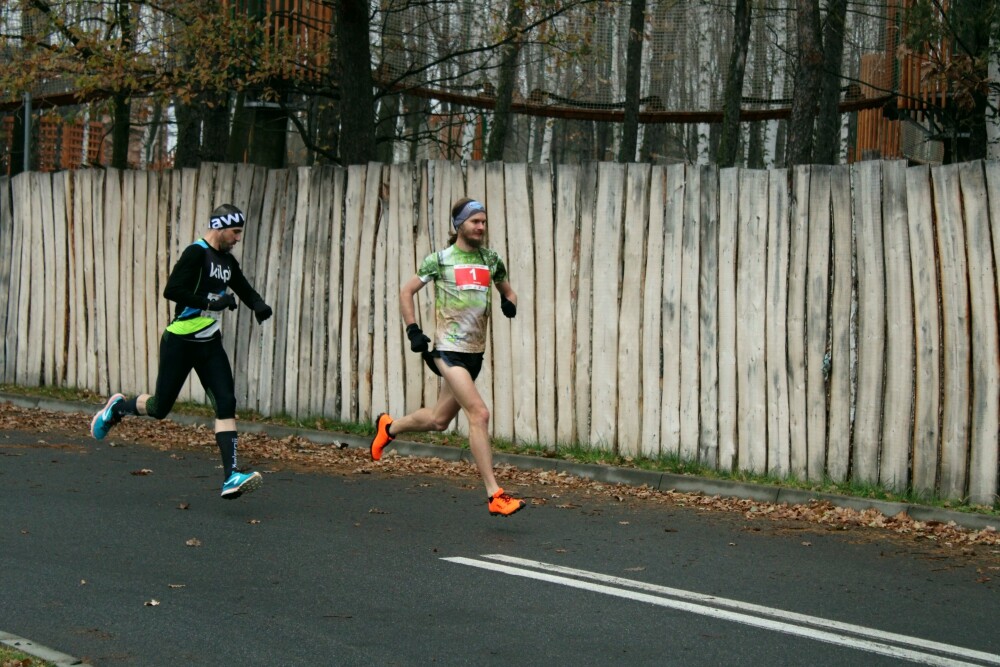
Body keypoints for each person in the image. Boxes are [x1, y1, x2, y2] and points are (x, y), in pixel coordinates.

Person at [90, 204, 273, 500]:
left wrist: (258, 305)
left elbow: (242, 287)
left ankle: (231, 477)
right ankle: (118, 407)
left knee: (226, 401)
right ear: (220, 227)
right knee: (160, 408)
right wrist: (212, 303)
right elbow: (172, 290)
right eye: (235, 232)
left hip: (209, 342)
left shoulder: (227, 261)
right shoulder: (196, 253)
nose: (239, 238)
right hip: (180, 341)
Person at [369, 197, 525, 517]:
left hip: (474, 354)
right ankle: (495, 494)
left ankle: (389, 427)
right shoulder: (440, 260)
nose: (481, 227)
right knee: (479, 414)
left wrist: (509, 302)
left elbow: (508, 291)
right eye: (475, 221)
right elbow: (406, 291)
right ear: (459, 226)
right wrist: (413, 329)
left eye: (483, 221)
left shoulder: (491, 260)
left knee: (440, 421)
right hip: (448, 350)